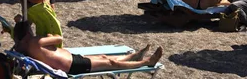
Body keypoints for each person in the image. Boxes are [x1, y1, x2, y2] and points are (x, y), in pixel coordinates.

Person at [13, 20, 162, 75]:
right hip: (72, 65)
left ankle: (133, 56)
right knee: (111, 63)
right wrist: (50, 34)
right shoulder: (35, 41)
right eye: (30, 29)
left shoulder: (23, 46)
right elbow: (59, 38)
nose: (33, 30)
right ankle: (147, 62)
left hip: (71, 60)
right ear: (27, 32)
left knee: (104, 58)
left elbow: (19, 43)